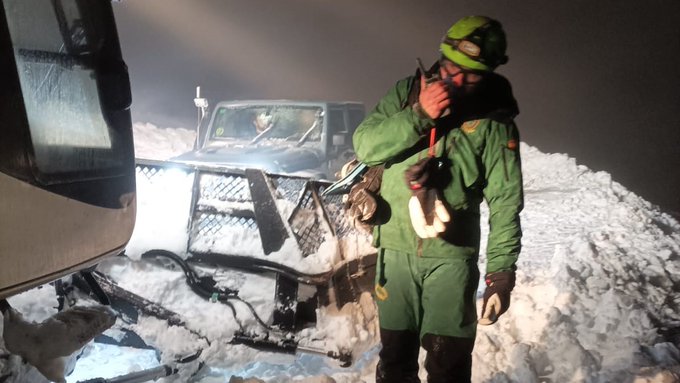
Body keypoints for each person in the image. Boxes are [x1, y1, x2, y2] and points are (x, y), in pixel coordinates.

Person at [351, 16, 523, 382]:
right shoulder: (406, 94)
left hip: (451, 260)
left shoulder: (494, 122)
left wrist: (500, 274)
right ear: (440, 56)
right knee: (394, 363)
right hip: (395, 254)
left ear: (490, 73)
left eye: (471, 75)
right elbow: (366, 146)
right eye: (450, 68)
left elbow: (506, 201)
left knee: (449, 366)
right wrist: (420, 115)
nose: (457, 80)